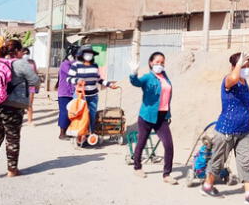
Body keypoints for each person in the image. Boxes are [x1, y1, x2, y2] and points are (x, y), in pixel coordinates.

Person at [201, 52, 249, 205]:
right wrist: (238, 65)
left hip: (244, 131)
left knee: (246, 162)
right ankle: (207, 186)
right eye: (244, 66)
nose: (247, 69)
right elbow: (233, 78)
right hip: (225, 131)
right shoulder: (228, 81)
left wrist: (241, 66)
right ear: (235, 67)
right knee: (217, 163)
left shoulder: (245, 83)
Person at [0, 39, 40, 180]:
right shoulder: (20, 63)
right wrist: (29, 90)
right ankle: (12, 170)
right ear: (18, 51)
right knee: (12, 137)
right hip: (12, 106)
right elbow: (35, 81)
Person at [129, 52, 178, 185]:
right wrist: (133, 73)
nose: (160, 65)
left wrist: (168, 113)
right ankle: (137, 167)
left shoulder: (164, 76)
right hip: (147, 116)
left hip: (162, 116)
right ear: (151, 63)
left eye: (162, 62)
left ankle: (167, 174)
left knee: (169, 145)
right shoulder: (148, 77)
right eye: (157, 62)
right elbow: (136, 82)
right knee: (142, 142)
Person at [66, 44, 118, 136]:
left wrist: (109, 84)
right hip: (80, 95)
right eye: (87, 53)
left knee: (92, 116)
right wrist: (78, 80)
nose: (89, 55)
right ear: (82, 54)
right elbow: (68, 79)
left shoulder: (95, 65)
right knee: (80, 116)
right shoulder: (76, 65)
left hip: (93, 96)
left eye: (90, 53)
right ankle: (79, 134)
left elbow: (98, 79)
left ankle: (90, 134)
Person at [56, 45, 79, 139]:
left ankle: (68, 131)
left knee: (71, 112)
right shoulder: (65, 64)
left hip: (72, 92)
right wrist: (74, 61)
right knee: (64, 112)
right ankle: (62, 133)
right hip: (64, 93)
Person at [21, 48, 39, 126]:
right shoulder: (18, 62)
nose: (26, 55)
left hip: (31, 85)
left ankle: (30, 121)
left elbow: (35, 73)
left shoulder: (32, 62)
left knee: (29, 103)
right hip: (21, 85)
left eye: (27, 53)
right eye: (24, 53)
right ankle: (19, 121)